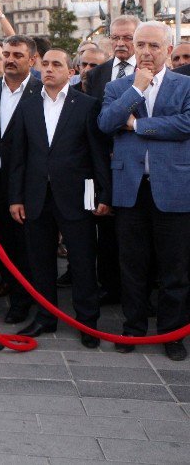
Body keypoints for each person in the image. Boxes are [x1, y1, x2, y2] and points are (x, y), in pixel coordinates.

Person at [98, 21, 190, 361]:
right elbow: (106, 123)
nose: (146, 52)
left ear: (168, 49)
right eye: (141, 45)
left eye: (154, 45)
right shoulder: (119, 87)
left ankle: (171, 334)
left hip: (175, 187)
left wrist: (137, 124)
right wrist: (135, 90)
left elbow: (186, 124)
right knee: (132, 265)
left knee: (174, 269)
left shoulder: (185, 85)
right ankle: (133, 329)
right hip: (130, 189)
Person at [9, 48, 111, 348]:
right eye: (46, 64)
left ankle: (87, 322)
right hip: (36, 197)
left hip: (76, 196)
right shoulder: (27, 106)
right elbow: (19, 156)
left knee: (81, 261)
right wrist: (16, 197)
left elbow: (98, 154)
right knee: (40, 261)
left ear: (72, 70)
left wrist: (105, 193)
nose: (49, 69)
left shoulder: (87, 105)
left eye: (57, 64)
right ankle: (45, 317)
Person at [0, 36, 40, 323]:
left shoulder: (41, 91)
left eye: (17, 54)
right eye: (6, 54)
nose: (10, 59)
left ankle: (20, 303)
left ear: (32, 60)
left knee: (20, 248)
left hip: (24, 184)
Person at [82, 15, 139, 305]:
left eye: (127, 38)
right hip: (103, 162)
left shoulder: (148, 70)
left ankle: (139, 292)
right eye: (115, 37)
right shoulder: (97, 74)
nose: (120, 43)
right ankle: (109, 286)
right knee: (104, 228)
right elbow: (94, 121)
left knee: (136, 233)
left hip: (138, 161)